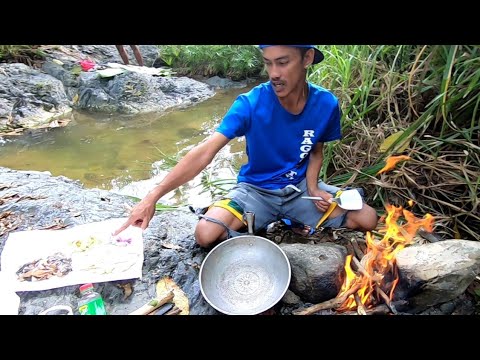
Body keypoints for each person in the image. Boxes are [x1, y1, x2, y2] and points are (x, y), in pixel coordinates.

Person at [113, 45, 378, 247]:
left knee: (367, 219)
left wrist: (313, 188)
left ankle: (288, 218)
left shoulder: (326, 104)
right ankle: (264, 217)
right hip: (256, 191)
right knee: (206, 234)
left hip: (298, 191)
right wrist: (152, 197)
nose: (274, 73)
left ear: (306, 59)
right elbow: (205, 151)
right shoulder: (250, 103)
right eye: (268, 64)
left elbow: (316, 151)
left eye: (283, 63)